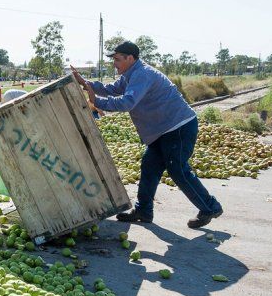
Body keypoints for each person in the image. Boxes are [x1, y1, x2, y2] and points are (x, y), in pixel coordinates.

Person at [71, 40, 223, 229]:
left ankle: (210, 207)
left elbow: (127, 103)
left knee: (177, 169)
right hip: (162, 131)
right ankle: (143, 211)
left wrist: (97, 101)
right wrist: (86, 84)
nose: (114, 64)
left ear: (130, 58)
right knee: (149, 166)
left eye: (117, 59)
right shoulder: (130, 74)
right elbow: (113, 89)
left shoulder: (142, 74)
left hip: (178, 127)